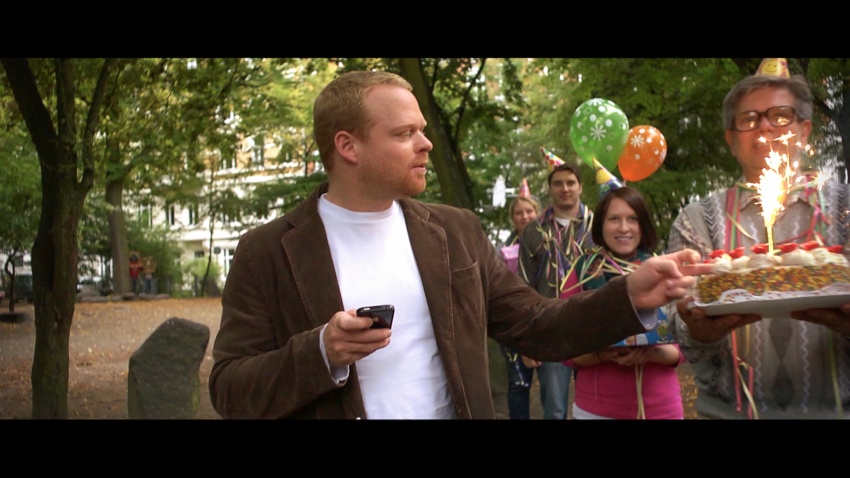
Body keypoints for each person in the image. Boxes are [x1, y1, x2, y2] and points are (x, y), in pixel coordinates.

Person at [208, 70, 708, 419]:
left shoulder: (455, 232)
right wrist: (322, 352)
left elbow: (537, 325)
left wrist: (628, 296)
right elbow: (230, 390)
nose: (426, 144)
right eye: (405, 133)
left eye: (423, 130)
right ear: (348, 146)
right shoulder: (267, 252)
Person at [669, 71, 850, 419]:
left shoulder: (846, 208)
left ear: (804, 130)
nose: (764, 127)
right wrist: (695, 329)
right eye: (748, 120)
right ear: (731, 140)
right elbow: (680, 327)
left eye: (780, 116)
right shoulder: (696, 221)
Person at [565, 187, 685, 419]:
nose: (623, 227)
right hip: (596, 410)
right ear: (601, 224)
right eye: (614, 219)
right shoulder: (582, 271)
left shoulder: (664, 268)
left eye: (632, 219)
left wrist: (651, 353)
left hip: (661, 408)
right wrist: (604, 355)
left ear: (643, 225)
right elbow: (564, 349)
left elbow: (685, 347)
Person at [517, 161, 594, 419]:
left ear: (580, 187)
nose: (565, 188)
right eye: (558, 183)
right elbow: (524, 286)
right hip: (550, 328)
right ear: (550, 188)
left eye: (571, 183)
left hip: (593, 327)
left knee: (596, 406)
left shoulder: (598, 226)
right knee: (554, 409)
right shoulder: (533, 231)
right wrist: (526, 341)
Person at [497, 195, 542, 419]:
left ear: (538, 213)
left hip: (546, 320)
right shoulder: (502, 250)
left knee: (553, 387)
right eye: (519, 212)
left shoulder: (550, 243)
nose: (524, 216)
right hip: (514, 325)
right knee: (519, 383)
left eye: (529, 211)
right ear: (512, 218)